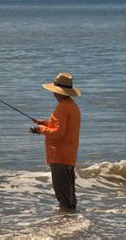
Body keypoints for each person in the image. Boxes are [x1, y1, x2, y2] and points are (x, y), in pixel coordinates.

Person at [30, 72, 81, 211]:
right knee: (69, 196)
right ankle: (73, 222)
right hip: (69, 156)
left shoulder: (62, 107)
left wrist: (40, 129)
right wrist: (46, 123)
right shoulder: (72, 106)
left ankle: (67, 225)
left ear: (58, 92)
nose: (53, 94)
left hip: (59, 156)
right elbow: (63, 127)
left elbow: (58, 133)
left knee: (63, 195)